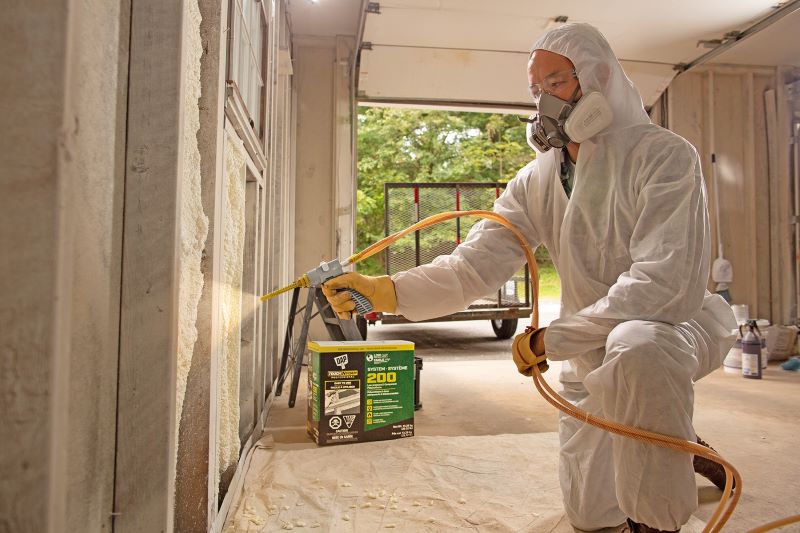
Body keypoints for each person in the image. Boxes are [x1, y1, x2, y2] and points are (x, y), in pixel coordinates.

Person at [322, 23, 737, 533]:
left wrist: (554, 337)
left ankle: (658, 519)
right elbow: (473, 266)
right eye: (535, 89)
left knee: (638, 349)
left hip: (671, 332)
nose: (543, 101)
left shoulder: (664, 156)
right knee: (589, 515)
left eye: (556, 84)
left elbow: (663, 286)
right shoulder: (539, 178)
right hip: (589, 354)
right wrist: (387, 291)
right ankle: (668, 429)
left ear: (599, 79)